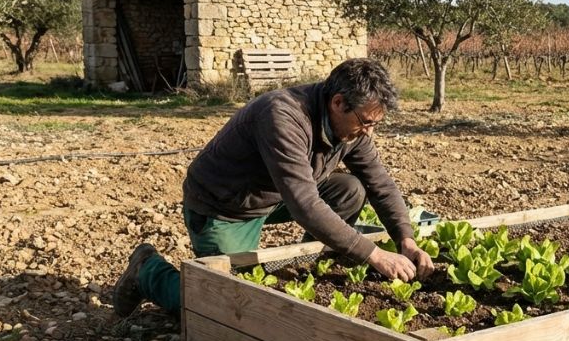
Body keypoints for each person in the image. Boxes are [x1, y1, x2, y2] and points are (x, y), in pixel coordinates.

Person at [112, 58, 434, 317]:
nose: (368, 132)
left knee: (350, 189)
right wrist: (373, 254)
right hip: (224, 205)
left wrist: (405, 239)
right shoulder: (283, 115)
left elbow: (379, 181)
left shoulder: (352, 130)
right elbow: (305, 205)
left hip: (273, 194)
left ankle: (310, 267)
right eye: (366, 122)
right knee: (228, 305)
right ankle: (147, 271)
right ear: (338, 102)